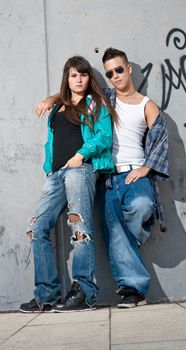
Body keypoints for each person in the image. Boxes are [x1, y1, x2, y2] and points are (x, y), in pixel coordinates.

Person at [34, 48, 169, 309]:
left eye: (119, 69)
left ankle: (110, 275)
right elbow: (72, 92)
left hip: (134, 173)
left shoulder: (146, 104)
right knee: (114, 230)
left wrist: (147, 167)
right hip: (107, 176)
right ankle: (133, 290)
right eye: (109, 73)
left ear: (129, 69)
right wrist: (51, 99)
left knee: (142, 208)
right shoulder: (105, 99)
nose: (115, 76)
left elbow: (161, 141)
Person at [19, 55, 117, 313]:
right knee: (37, 228)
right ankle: (46, 294)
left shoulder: (96, 103)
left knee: (80, 228)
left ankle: (85, 292)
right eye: (73, 75)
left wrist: (80, 156)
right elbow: (52, 139)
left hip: (80, 170)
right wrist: (49, 167)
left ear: (89, 78)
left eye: (83, 75)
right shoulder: (58, 107)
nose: (79, 79)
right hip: (56, 174)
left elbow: (104, 136)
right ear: (67, 77)